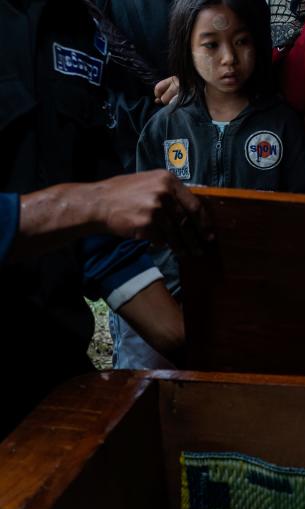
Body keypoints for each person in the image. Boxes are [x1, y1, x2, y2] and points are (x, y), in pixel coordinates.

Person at [0, 0, 210, 438]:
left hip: (50, 376)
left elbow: (101, 234)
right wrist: (93, 204)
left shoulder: (77, 28)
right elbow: (94, 203)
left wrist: (207, 348)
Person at [110, 0, 305, 369]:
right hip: (176, 300)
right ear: (185, 48)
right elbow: (148, 230)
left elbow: (303, 222)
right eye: (211, 45)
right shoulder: (165, 128)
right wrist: (171, 296)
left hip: (260, 301)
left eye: (241, 41)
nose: (229, 59)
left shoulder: (284, 126)